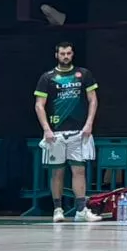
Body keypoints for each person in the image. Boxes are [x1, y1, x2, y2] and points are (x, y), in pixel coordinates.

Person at [34, 42, 100, 224]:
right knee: (57, 172)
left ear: (72, 54)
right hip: (55, 133)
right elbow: (39, 105)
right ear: (56, 55)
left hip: (79, 132)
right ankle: (57, 209)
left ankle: (81, 210)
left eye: (68, 53)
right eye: (62, 53)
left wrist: (89, 124)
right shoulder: (47, 77)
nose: (65, 56)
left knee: (79, 170)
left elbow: (93, 100)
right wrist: (46, 129)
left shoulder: (84, 74)